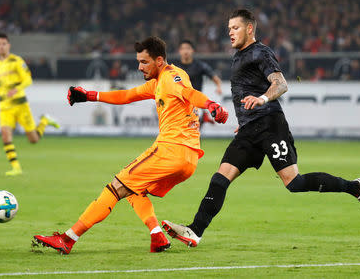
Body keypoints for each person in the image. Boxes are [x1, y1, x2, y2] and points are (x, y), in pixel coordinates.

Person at [162, 9, 360, 247]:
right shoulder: (238, 56)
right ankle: (195, 231)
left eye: (235, 28)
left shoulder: (260, 52)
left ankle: (355, 187)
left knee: (293, 183)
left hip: (270, 125)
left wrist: (262, 99)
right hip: (248, 130)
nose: (230, 32)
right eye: (228, 29)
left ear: (249, 28)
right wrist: (244, 122)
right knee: (220, 178)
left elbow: (281, 83)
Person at [33, 36, 228, 254]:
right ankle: (157, 235)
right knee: (135, 189)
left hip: (170, 150)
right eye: (139, 61)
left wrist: (211, 104)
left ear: (160, 60)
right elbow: (127, 95)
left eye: (144, 62)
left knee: (115, 187)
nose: (139, 66)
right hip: (189, 159)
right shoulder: (158, 82)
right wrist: (89, 96)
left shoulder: (172, 77)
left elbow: (190, 94)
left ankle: (68, 239)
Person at [0, 33, 60, 176]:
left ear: (8, 45)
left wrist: (16, 89)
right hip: (5, 106)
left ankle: (44, 121)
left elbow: (28, 79)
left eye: (4, 43)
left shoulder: (17, 61)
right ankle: (16, 168)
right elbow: (2, 89)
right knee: (5, 135)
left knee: (33, 139)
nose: (1, 46)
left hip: (20, 105)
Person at [175, 40, 223, 126]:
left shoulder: (200, 65)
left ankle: (203, 117)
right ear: (179, 51)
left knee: (193, 129)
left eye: (188, 48)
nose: (185, 51)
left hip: (195, 102)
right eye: (183, 48)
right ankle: (204, 117)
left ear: (192, 50)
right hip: (180, 103)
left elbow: (215, 78)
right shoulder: (175, 68)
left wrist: (218, 87)